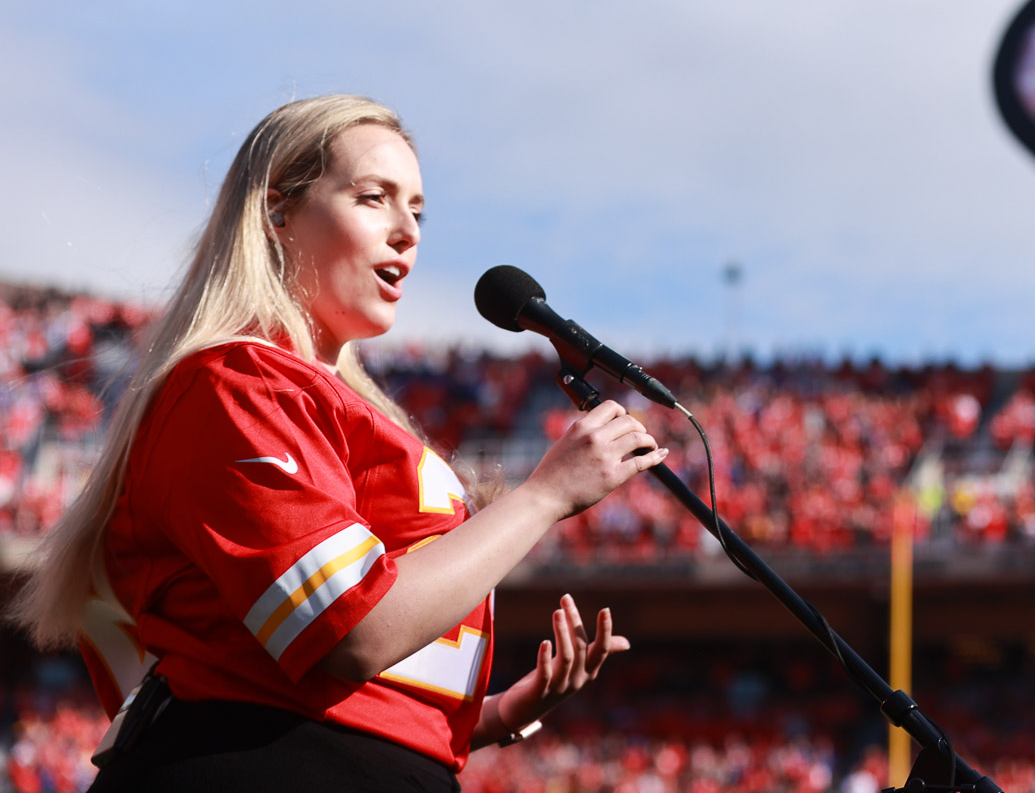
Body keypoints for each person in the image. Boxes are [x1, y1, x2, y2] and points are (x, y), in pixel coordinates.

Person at [9, 95, 668, 791]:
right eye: (374, 198)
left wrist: (508, 710)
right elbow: (351, 634)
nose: (407, 232)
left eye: (418, 210)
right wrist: (544, 496)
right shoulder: (233, 383)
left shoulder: (343, 405)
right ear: (277, 212)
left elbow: (347, 699)